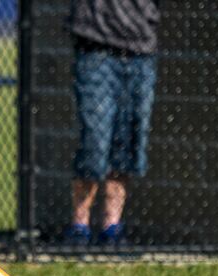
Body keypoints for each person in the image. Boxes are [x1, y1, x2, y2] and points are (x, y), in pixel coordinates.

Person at [64, 0, 159, 245]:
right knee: (94, 142)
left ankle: (112, 226)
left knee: (127, 144)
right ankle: (79, 227)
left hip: (140, 48)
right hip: (95, 47)